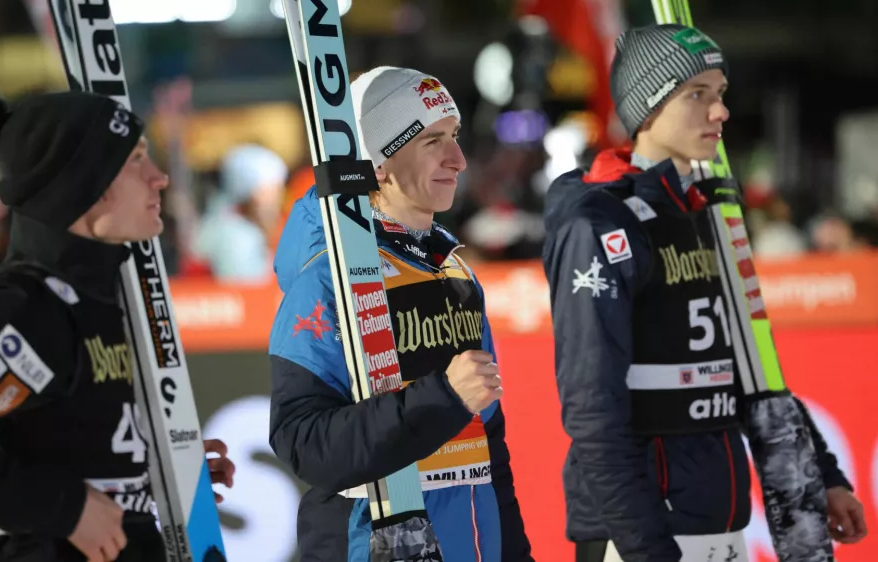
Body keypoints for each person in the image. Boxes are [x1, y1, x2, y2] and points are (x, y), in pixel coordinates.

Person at [541, 24, 866, 562]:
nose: (720, 113)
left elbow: (749, 370)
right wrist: (646, 545)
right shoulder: (600, 222)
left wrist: (823, 476)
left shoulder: (707, 212)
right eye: (697, 95)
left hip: (717, 521)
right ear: (647, 107)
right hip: (644, 535)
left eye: (720, 96)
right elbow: (592, 412)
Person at [0, 91, 235, 562]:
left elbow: (69, 442)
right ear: (88, 185)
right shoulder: (28, 309)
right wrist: (64, 509)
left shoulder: (107, 293)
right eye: (136, 161)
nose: (159, 178)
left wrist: (160, 470)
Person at [267, 66, 534, 562]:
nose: (458, 159)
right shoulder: (328, 279)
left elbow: (489, 448)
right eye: (433, 141)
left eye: (454, 136)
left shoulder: (454, 270)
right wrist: (443, 397)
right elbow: (302, 442)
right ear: (380, 163)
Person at [191, 144, 287, 283]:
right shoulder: (236, 237)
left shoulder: (225, 224)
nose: (278, 201)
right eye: (272, 191)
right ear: (253, 196)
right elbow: (250, 297)